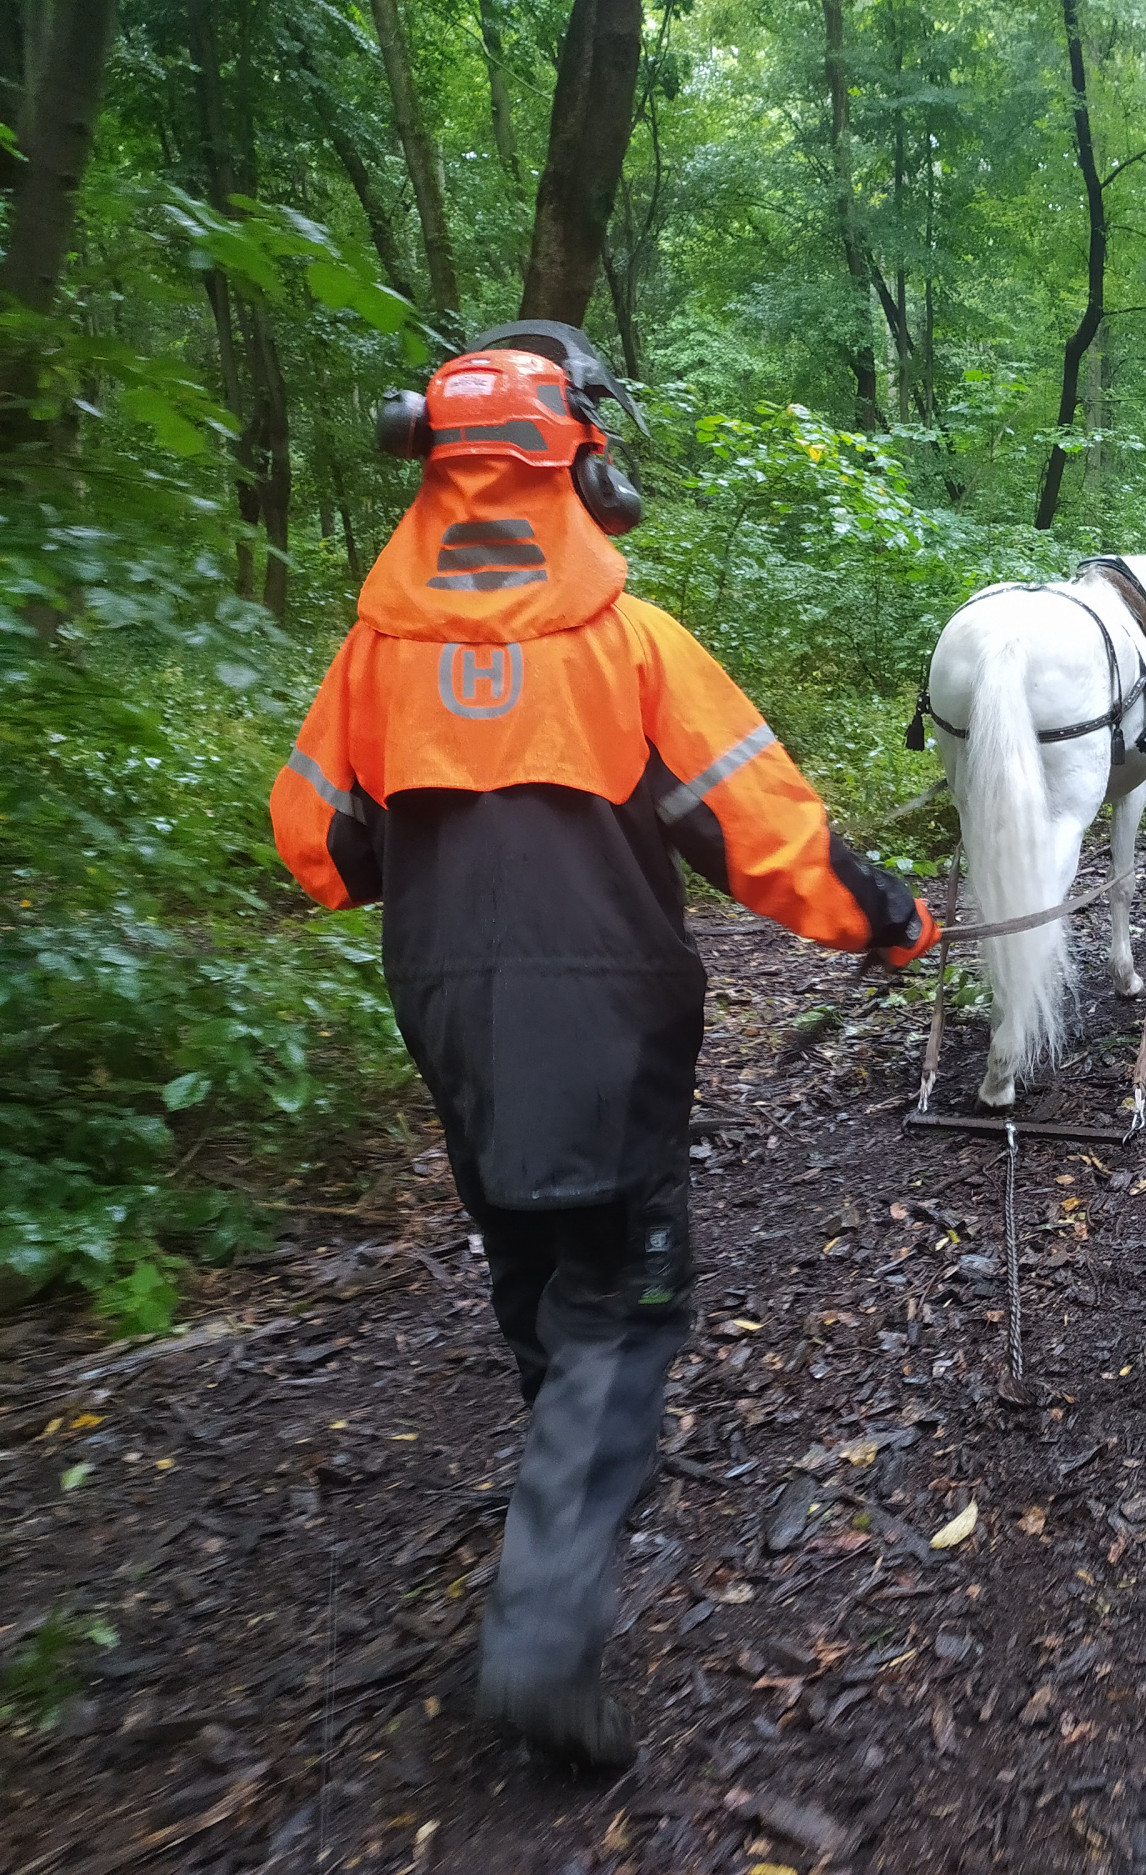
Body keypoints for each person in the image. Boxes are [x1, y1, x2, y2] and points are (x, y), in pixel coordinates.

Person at [269, 322, 939, 1768]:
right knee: (624, 1305)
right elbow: (772, 840)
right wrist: (891, 921)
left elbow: (314, 845)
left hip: (449, 1014)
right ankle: (543, 1629)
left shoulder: (376, 655)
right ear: (584, 459)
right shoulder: (636, 646)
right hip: (611, 1023)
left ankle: (552, 1513)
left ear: (430, 469)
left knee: (530, 1255)